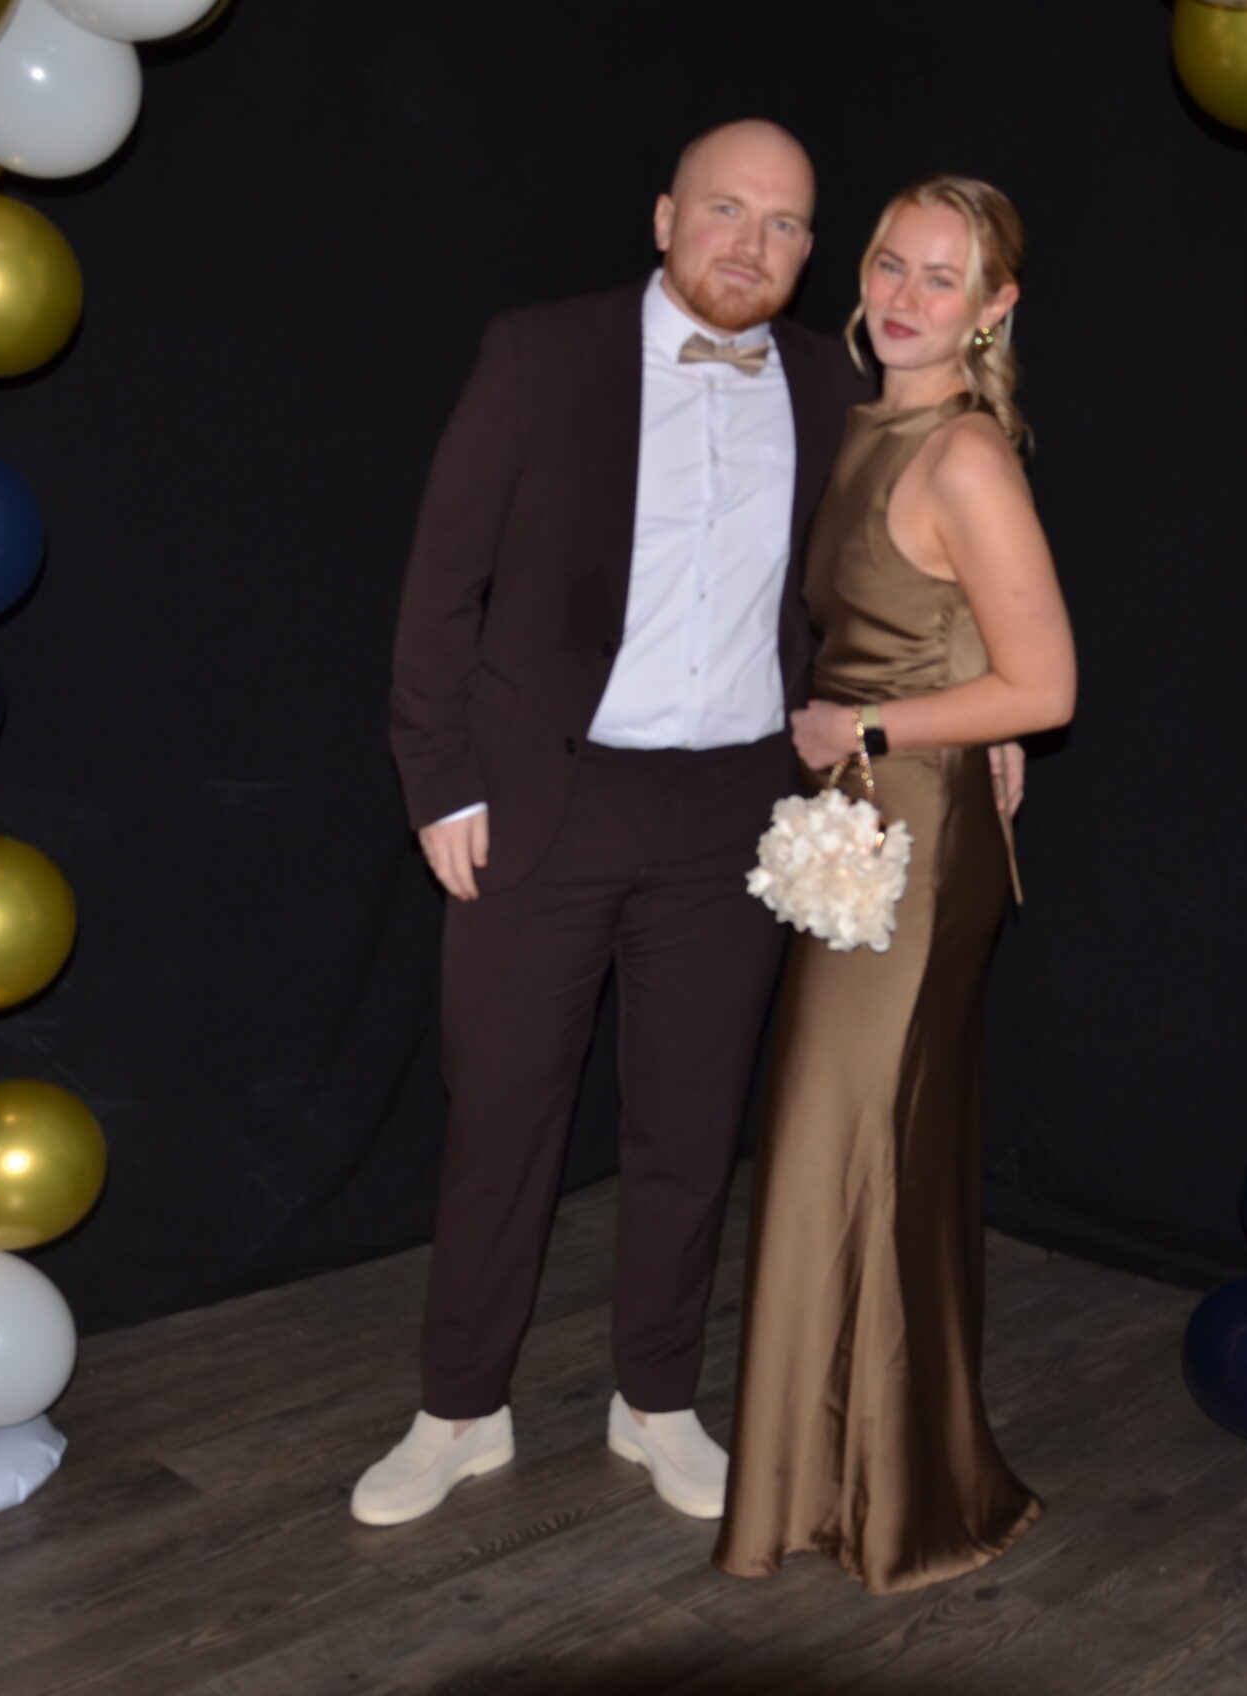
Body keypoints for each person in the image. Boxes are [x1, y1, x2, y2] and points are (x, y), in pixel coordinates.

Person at [362, 120, 874, 1527]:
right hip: (546, 799)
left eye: (784, 223)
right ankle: (460, 1410)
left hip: (732, 814)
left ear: (808, 251)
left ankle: (656, 1400)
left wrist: (974, 721)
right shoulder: (541, 355)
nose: (751, 244)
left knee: (692, 1129)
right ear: (664, 216)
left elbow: (891, 583)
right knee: (501, 1118)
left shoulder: (831, 384)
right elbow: (441, 584)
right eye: (726, 209)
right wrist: (440, 779)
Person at [712, 176, 1075, 1593]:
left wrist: (869, 727)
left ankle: (897, 1496)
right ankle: (835, 1477)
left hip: (915, 838)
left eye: (943, 276)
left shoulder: (966, 455)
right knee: (849, 1146)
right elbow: (949, 635)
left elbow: (1046, 687)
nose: (906, 296)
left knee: (854, 1141)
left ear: (994, 307)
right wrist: (918, 716)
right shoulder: (862, 422)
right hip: (863, 821)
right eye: (889, 264)